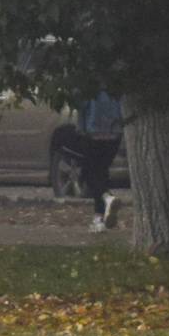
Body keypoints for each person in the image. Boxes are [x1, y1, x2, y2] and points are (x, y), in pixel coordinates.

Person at [70, 89, 124, 230]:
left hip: (93, 131)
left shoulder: (90, 81)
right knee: (102, 172)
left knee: (89, 173)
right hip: (115, 132)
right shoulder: (116, 80)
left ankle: (107, 198)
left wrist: (80, 128)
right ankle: (99, 217)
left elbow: (82, 105)